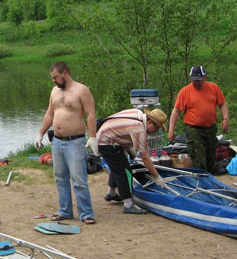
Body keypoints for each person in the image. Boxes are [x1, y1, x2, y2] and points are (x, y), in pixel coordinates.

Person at [34, 61, 99, 224]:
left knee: (78, 179)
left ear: (65, 74)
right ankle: (65, 210)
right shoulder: (54, 91)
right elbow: (50, 114)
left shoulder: (81, 90)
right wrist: (40, 133)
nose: (53, 80)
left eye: (55, 77)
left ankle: (86, 213)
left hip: (75, 141)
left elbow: (91, 114)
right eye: (52, 78)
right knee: (60, 177)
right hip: (57, 141)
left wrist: (93, 136)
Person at [98, 108, 168, 214]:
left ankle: (111, 193)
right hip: (107, 141)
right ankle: (128, 204)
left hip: (106, 136)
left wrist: (130, 150)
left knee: (117, 166)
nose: (156, 131)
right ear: (150, 123)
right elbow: (145, 158)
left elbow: (122, 131)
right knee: (125, 172)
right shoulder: (139, 129)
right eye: (157, 127)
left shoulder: (137, 113)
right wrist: (157, 177)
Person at [167, 65, 230, 173]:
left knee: (211, 158)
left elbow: (222, 104)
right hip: (194, 129)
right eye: (194, 80)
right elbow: (176, 111)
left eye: (199, 80)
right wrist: (171, 130)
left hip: (210, 128)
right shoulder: (185, 92)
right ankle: (201, 177)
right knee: (198, 159)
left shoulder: (213, 88)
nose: (196, 82)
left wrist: (225, 118)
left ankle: (210, 177)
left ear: (205, 77)